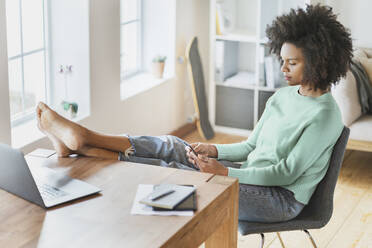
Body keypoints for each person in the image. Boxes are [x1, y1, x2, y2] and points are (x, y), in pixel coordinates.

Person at [36, 4, 352, 223]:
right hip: (253, 175)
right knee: (177, 148)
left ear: (319, 60)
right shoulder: (283, 96)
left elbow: (285, 174)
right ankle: (87, 139)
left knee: (180, 174)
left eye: (292, 62)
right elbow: (250, 147)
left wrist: (224, 172)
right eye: (281, 59)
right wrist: (212, 150)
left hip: (280, 200)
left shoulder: (326, 116)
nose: (282, 68)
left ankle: (86, 149)